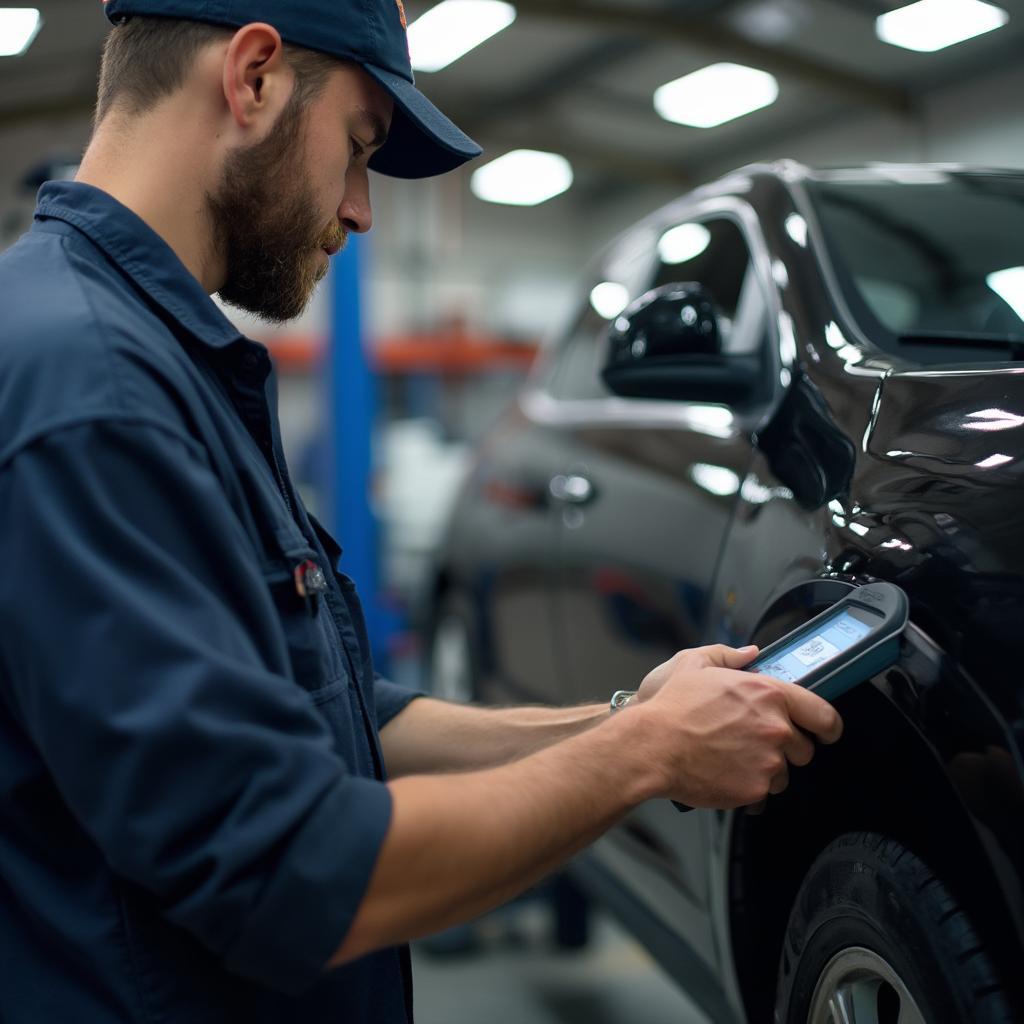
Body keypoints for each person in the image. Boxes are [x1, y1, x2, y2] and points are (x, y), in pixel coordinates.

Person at [0, 2, 842, 1021]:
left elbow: (344, 723)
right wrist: (642, 757)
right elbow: (288, 871)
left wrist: (627, 716)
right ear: (253, 76)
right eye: (356, 148)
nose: (360, 210)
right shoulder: (92, 389)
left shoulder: (159, 359)